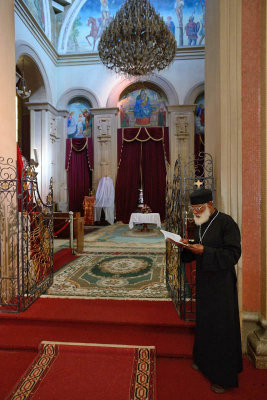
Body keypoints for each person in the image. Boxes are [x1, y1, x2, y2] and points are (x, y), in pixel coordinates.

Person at [170, 188, 242, 394]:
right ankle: (203, 361)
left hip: (221, 285)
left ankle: (224, 377)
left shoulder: (227, 223)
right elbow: (199, 247)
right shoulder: (200, 224)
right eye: (193, 209)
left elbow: (232, 254)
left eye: (199, 208)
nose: (196, 212)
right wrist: (187, 246)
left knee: (221, 328)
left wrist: (205, 251)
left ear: (210, 204)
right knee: (205, 323)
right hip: (205, 283)